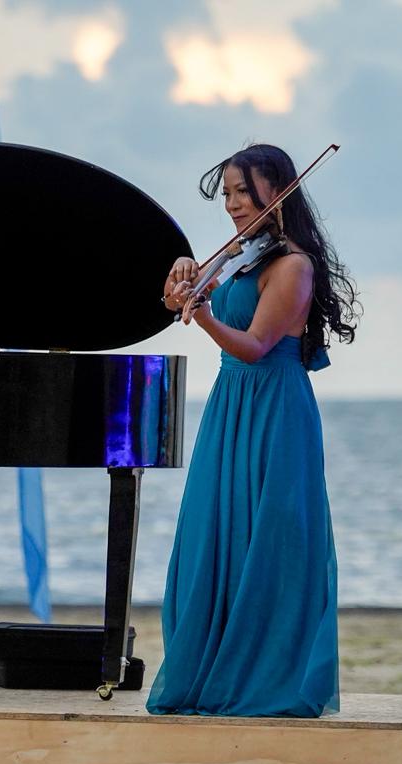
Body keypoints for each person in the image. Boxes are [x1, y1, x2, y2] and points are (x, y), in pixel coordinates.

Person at [147, 144, 359, 717]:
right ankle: (208, 664)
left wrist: (205, 313)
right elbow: (178, 297)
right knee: (211, 533)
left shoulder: (293, 266)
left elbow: (257, 345)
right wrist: (182, 279)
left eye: (244, 192)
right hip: (230, 406)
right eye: (229, 194)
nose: (233, 206)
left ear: (277, 191)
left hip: (274, 409)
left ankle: (264, 675)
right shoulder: (242, 255)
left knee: (270, 540)